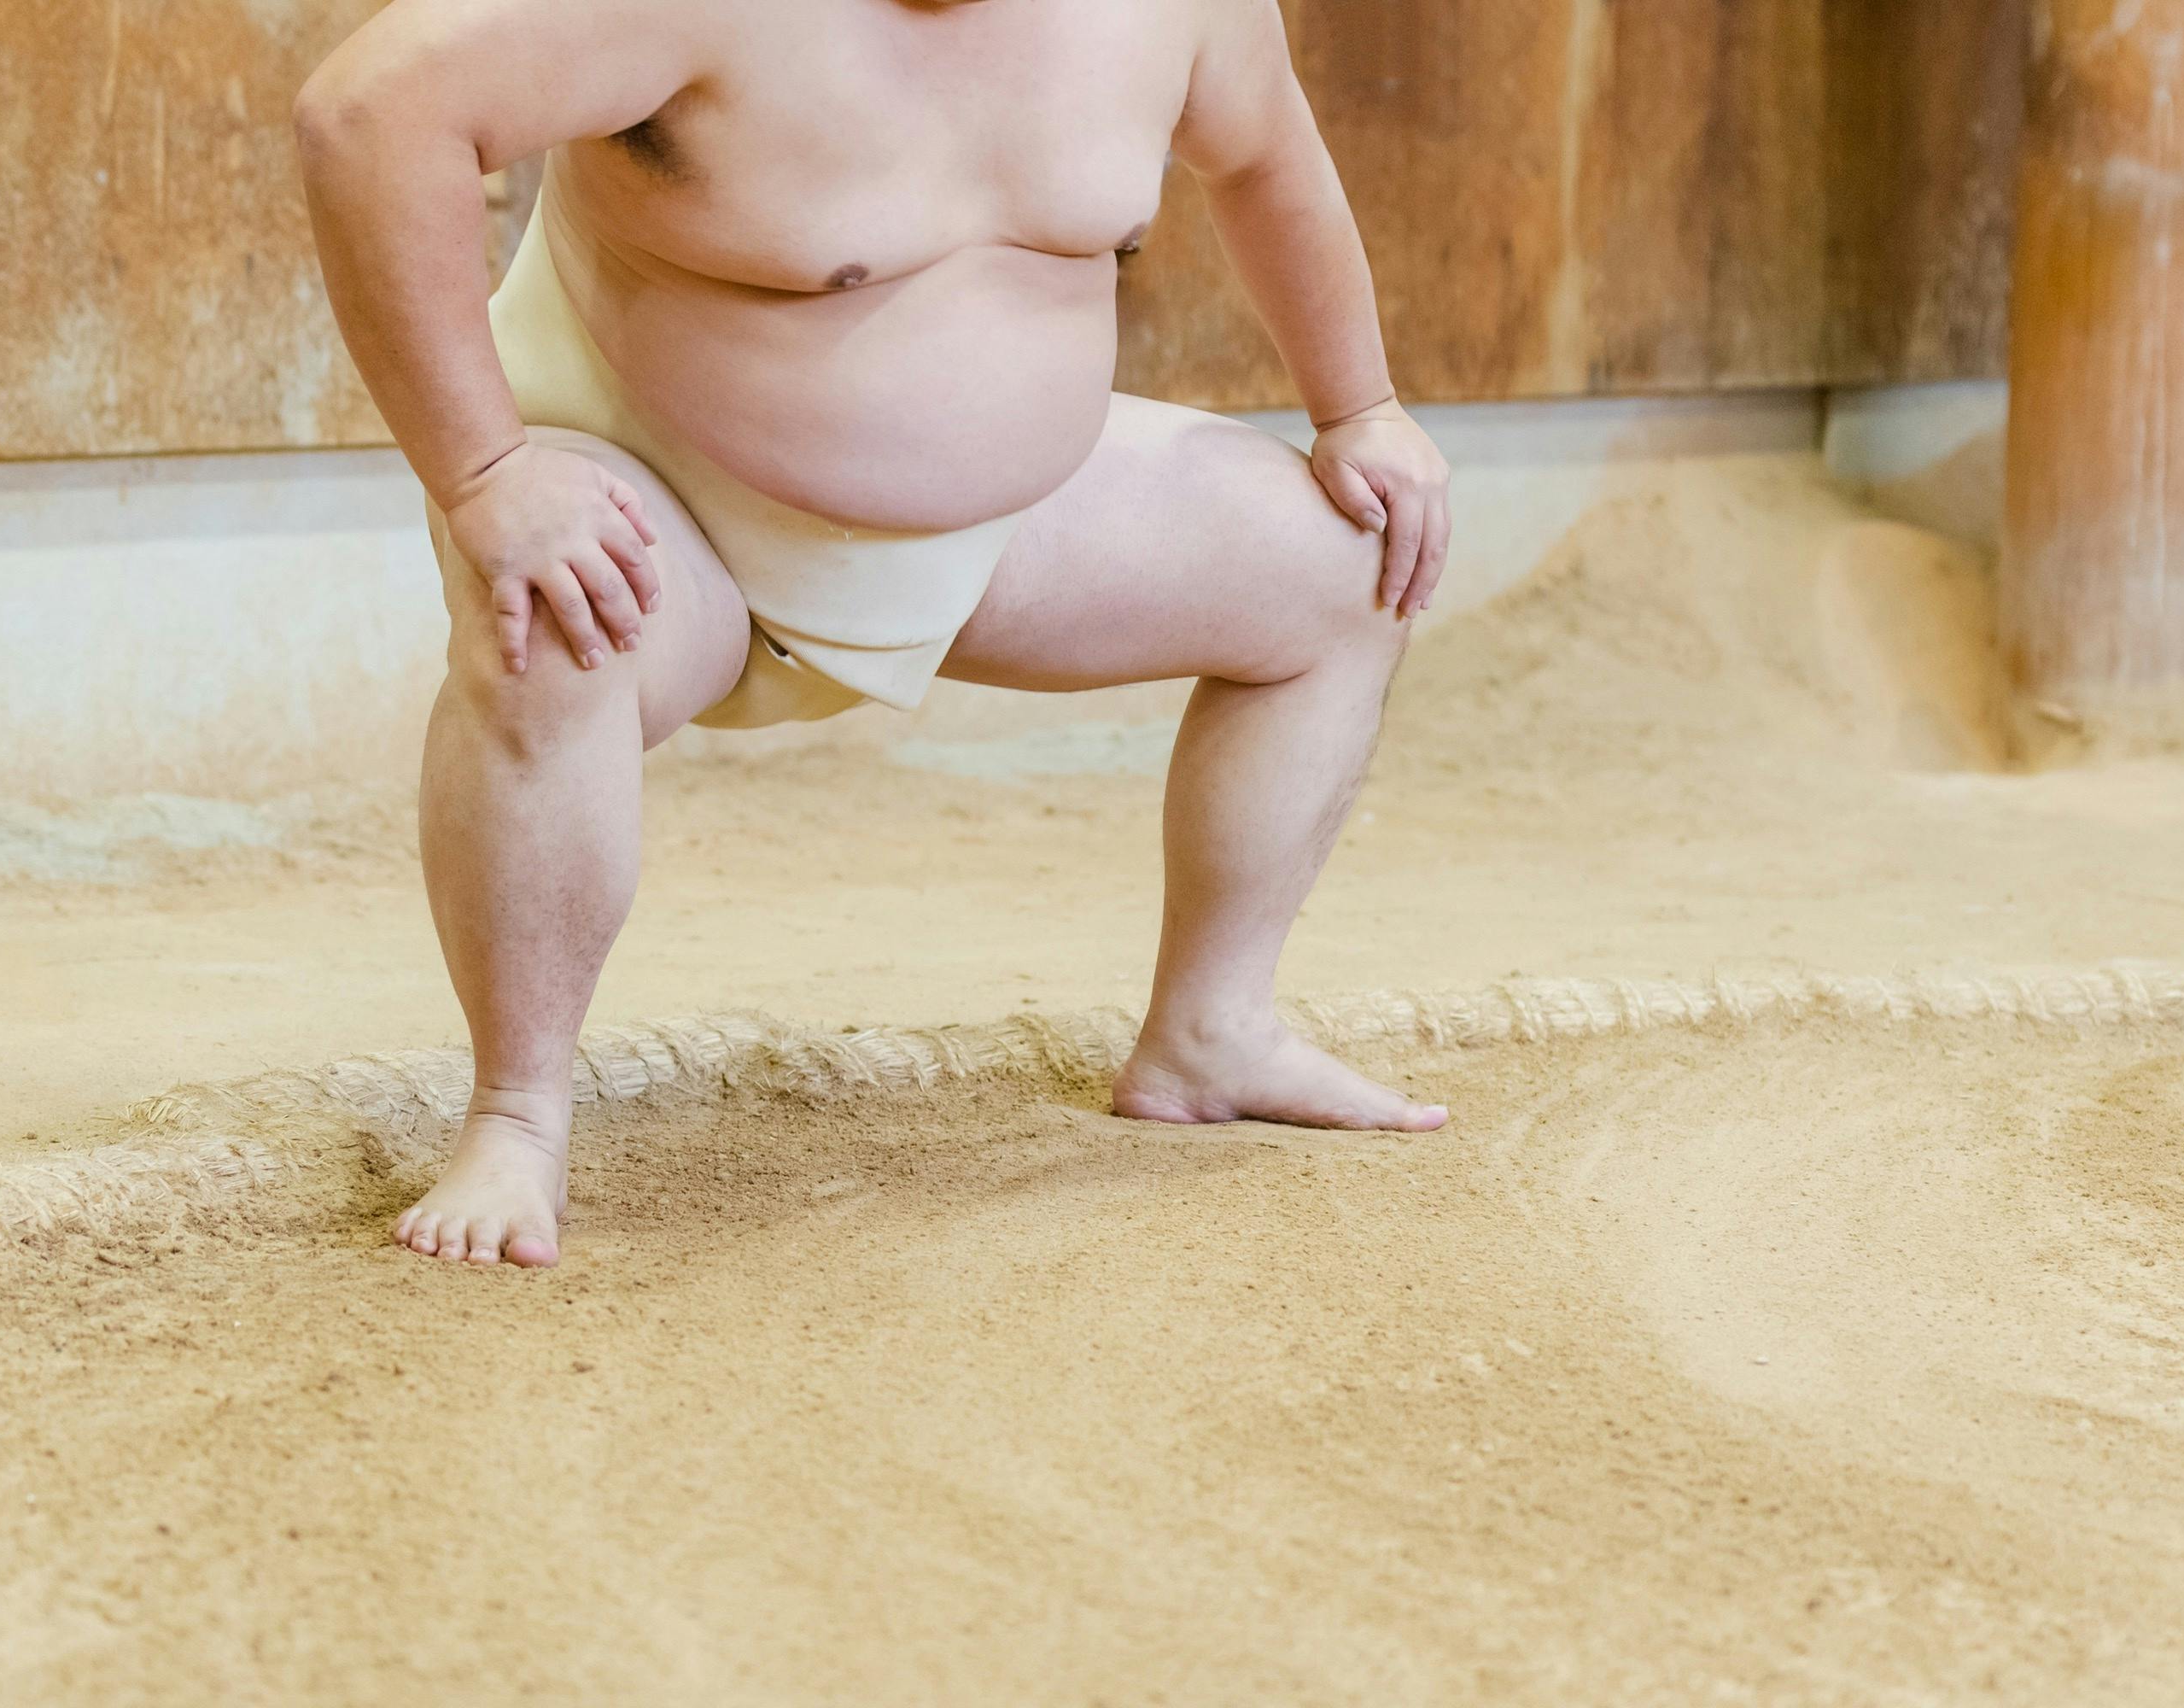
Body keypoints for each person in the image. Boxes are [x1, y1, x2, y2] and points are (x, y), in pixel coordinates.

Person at [295, 0, 1456, 1267]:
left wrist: (1362, 407)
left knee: (1351, 564)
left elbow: (1267, 153)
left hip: (1001, 529)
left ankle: (1211, 1031)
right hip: (671, 514)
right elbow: (371, 116)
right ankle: (515, 1116)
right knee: (552, 634)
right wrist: (484, 472)